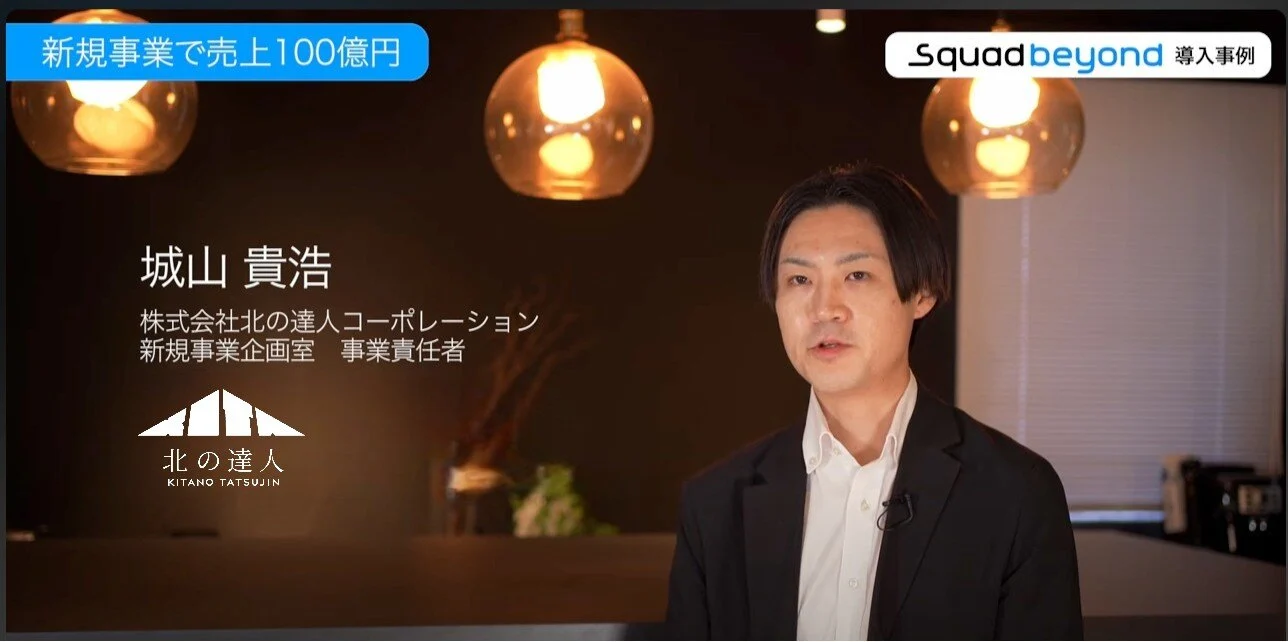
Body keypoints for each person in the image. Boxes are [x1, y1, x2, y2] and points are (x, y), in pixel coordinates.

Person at [664, 162, 1083, 640]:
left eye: (857, 274)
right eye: (799, 280)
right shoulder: (714, 506)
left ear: (922, 292)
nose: (824, 309)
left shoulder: (1017, 493)